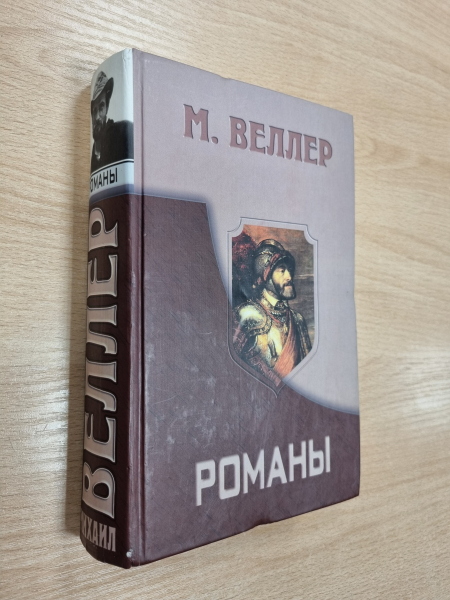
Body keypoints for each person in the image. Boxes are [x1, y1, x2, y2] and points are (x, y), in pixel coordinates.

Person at [233, 239, 311, 385]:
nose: (289, 277)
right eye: (282, 270)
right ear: (266, 275)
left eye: (289, 270)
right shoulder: (246, 315)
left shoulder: (297, 320)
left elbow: (309, 374)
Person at [90, 71, 134, 173]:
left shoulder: (121, 131)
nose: (97, 117)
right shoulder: (94, 151)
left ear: (107, 107)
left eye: (101, 107)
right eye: (94, 111)